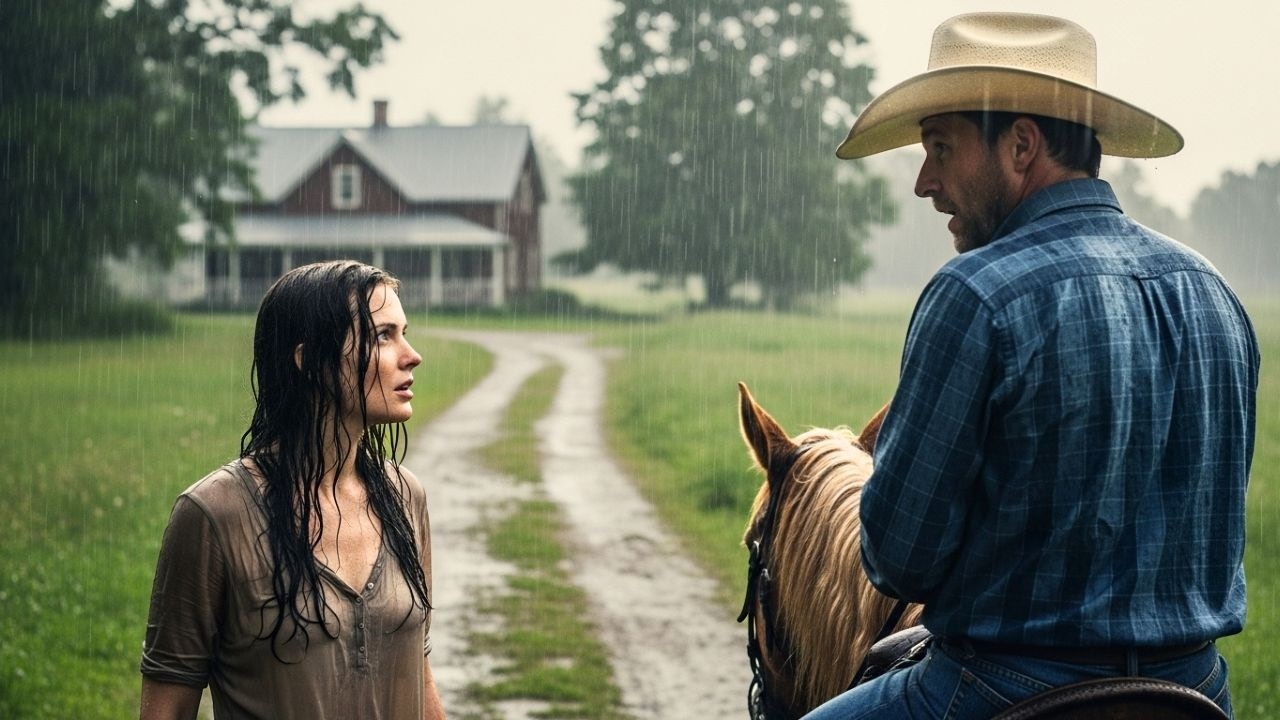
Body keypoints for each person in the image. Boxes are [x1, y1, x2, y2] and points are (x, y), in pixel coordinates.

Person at [806, 12, 1259, 720]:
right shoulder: (1213, 291)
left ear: (1021, 145)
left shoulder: (976, 294)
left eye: (940, 147)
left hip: (1003, 686)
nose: (924, 182)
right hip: (1195, 688)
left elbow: (898, 559)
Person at [139, 260, 446, 720]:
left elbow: (417, 674)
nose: (412, 355)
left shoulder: (404, 497)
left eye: (404, 333)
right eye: (383, 335)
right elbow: (167, 708)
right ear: (310, 361)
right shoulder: (214, 514)